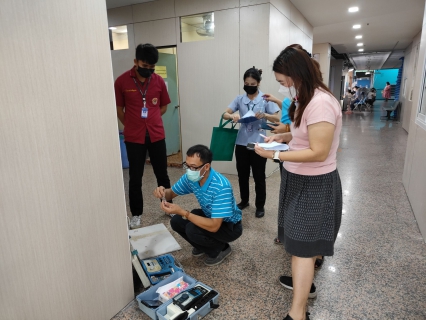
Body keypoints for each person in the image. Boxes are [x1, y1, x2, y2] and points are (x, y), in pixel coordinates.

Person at [254, 46, 342, 320]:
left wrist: (276, 154)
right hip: (297, 177)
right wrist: (283, 138)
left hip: (315, 184)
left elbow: (319, 151)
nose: (282, 87)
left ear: (295, 75)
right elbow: (302, 137)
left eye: (282, 82)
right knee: (297, 242)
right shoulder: (305, 98)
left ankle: (297, 313)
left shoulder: (321, 103)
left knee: (303, 248)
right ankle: (303, 284)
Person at [153, 145, 243, 266]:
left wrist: (183, 212)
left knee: (191, 228)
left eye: (193, 167)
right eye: (187, 165)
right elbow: (171, 194)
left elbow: (214, 226)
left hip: (229, 226)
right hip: (210, 216)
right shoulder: (191, 177)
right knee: (176, 221)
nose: (189, 170)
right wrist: (162, 192)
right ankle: (202, 245)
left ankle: (221, 249)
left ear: (206, 166)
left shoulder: (221, 186)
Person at [115, 43, 171, 229]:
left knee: (162, 174)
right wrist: (132, 124)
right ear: (136, 61)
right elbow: (119, 109)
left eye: (151, 67)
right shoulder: (122, 81)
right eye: (145, 66)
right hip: (134, 137)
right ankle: (136, 214)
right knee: (135, 177)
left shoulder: (158, 81)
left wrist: (151, 119)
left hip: (156, 134)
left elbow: (163, 106)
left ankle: (167, 206)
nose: (148, 70)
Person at [222, 67, 280, 218]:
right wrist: (232, 116)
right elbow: (224, 113)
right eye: (246, 83)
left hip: (259, 142)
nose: (249, 86)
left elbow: (278, 119)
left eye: (252, 83)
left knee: (259, 175)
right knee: (242, 174)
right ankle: (244, 200)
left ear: (258, 83)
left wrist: (265, 115)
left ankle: (260, 206)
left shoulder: (265, 98)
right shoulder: (239, 99)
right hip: (242, 143)